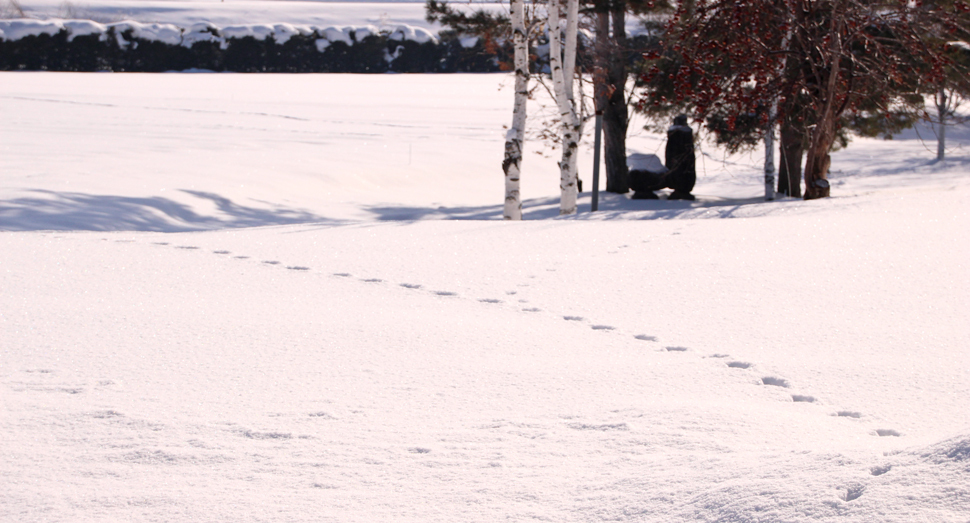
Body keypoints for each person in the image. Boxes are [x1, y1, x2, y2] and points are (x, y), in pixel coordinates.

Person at [664, 114, 696, 200]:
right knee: (682, 171)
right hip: (682, 161)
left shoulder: (676, 134)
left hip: (678, 160)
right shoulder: (682, 134)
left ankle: (680, 188)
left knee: (680, 171)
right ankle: (681, 188)